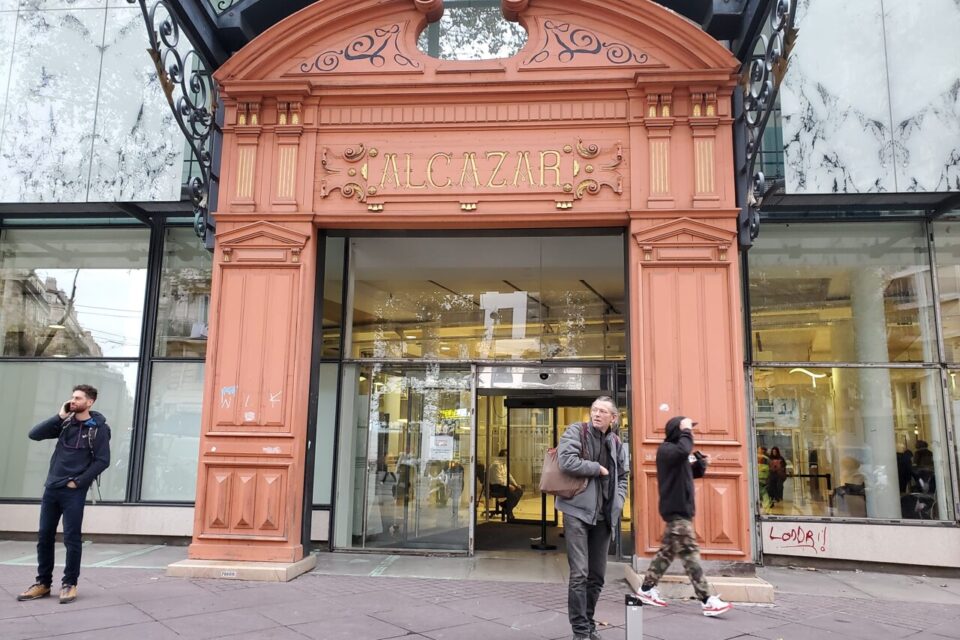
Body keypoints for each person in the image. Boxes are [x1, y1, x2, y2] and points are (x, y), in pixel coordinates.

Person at [17, 385, 111, 605]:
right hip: (52, 488)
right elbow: (34, 435)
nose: (73, 400)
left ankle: (69, 584)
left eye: (78, 398)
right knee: (44, 536)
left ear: (90, 402)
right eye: (72, 397)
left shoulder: (98, 429)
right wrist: (60, 415)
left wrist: (77, 482)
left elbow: (102, 461)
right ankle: (43, 583)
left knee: (71, 538)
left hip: (73, 492)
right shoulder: (65, 423)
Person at [634, 416, 731, 617]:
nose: (691, 433)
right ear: (678, 431)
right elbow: (683, 451)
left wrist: (702, 464)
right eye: (687, 429)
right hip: (677, 511)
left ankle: (645, 590)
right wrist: (686, 430)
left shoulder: (677, 454)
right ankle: (707, 600)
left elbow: (689, 472)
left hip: (680, 511)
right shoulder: (668, 449)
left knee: (666, 553)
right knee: (690, 555)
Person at [556, 396, 629, 640]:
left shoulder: (616, 442)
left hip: (604, 516)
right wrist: (596, 469)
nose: (597, 414)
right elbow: (566, 461)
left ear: (613, 418)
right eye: (594, 410)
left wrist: (617, 503)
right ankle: (580, 632)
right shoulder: (576, 431)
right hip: (576, 511)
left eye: (603, 411)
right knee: (580, 574)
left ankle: (588, 624)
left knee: (596, 576)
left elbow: (623, 476)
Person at [488, 449, 523, 520]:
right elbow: (498, 480)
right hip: (496, 487)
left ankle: (506, 508)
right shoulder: (495, 465)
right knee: (511, 494)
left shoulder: (504, 464)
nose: (507, 458)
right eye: (505, 456)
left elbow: (509, 476)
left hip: (503, 486)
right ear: (501, 456)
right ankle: (509, 511)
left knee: (519, 491)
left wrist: (516, 485)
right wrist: (508, 486)